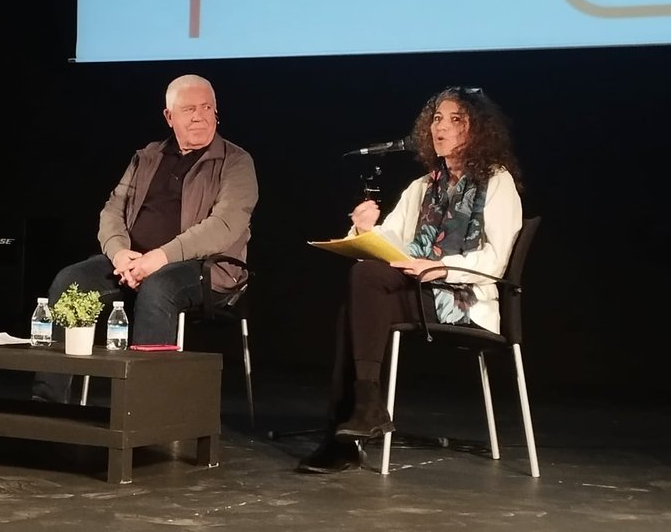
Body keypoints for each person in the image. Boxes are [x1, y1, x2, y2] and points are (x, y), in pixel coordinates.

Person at [298, 85, 523, 474]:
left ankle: (352, 426)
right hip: (420, 294)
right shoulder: (422, 187)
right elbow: (392, 243)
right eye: (437, 119)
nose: (442, 128)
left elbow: (496, 257)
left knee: (362, 293)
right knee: (361, 290)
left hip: (464, 299)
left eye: (456, 120)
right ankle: (355, 419)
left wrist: (439, 268)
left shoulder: (497, 182)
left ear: (478, 129)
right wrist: (363, 229)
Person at [33, 75, 258, 402]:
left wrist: (159, 258)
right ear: (170, 117)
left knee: (160, 286)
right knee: (70, 281)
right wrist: (121, 254)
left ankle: (144, 411)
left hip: (205, 267)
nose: (200, 115)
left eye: (208, 107)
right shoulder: (148, 157)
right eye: (190, 108)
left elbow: (224, 225)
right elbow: (112, 211)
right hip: (134, 262)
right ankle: (48, 406)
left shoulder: (236, 161)